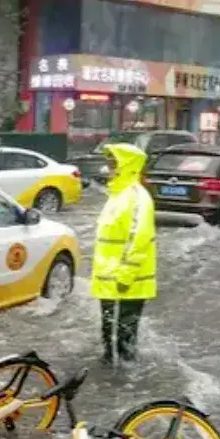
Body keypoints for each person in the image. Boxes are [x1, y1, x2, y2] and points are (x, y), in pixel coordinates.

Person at [90, 142, 157, 364]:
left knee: (126, 333)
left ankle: (126, 374)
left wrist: (126, 275)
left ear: (126, 166)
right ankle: (110, 365)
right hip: (109, 278)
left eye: (113, 164)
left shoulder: (138, 198)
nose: (108, 170)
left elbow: (140, 239)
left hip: (128, 281)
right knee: (108, 330)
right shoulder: (117, 194)